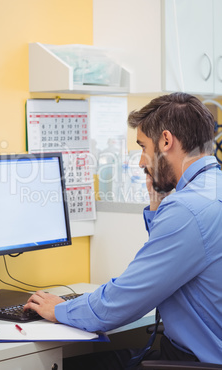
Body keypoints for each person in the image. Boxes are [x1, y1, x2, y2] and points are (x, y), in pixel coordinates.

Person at [24, 92, 222, 368]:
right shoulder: (210, 190)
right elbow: (175, 261)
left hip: (196, 361)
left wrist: (60, 309)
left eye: (143, 146)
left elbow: (123, 301)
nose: (142, 161)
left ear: (166, 140)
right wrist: (157, 206)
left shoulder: (187, 210)